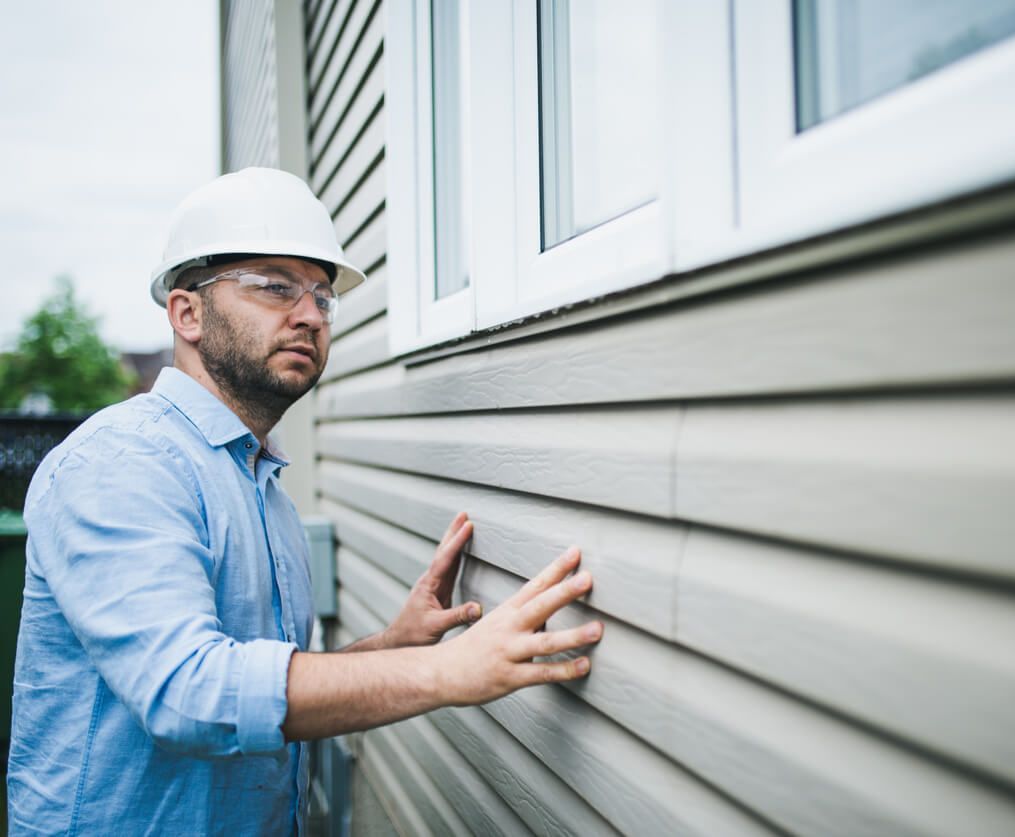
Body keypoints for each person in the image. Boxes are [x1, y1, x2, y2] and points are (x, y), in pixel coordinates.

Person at [5, 168, 603, 835]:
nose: (311, 315)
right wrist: (444, 669)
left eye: (322, 296)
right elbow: (191, 692)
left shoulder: (261, 488)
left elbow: (262, 689)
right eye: (274, 286)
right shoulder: (122, 465)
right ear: (187, 313)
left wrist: (392, 646)